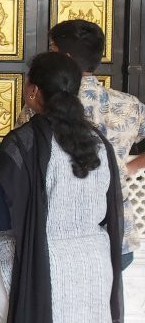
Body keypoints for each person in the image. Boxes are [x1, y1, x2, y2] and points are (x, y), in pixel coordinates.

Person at [0, 52, 124, 323]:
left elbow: (0, 216)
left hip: (36, 266)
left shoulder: (23, 142)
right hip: (93, 266)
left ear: (33, 91)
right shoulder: (98, 141)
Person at [49, 19, 145, 270]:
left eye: (52, 50)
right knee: (104, 306)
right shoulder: (129, 104)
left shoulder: (46, 105)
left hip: (60, 232)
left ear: (65, 58)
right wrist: (130, 166)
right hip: (115, 229)